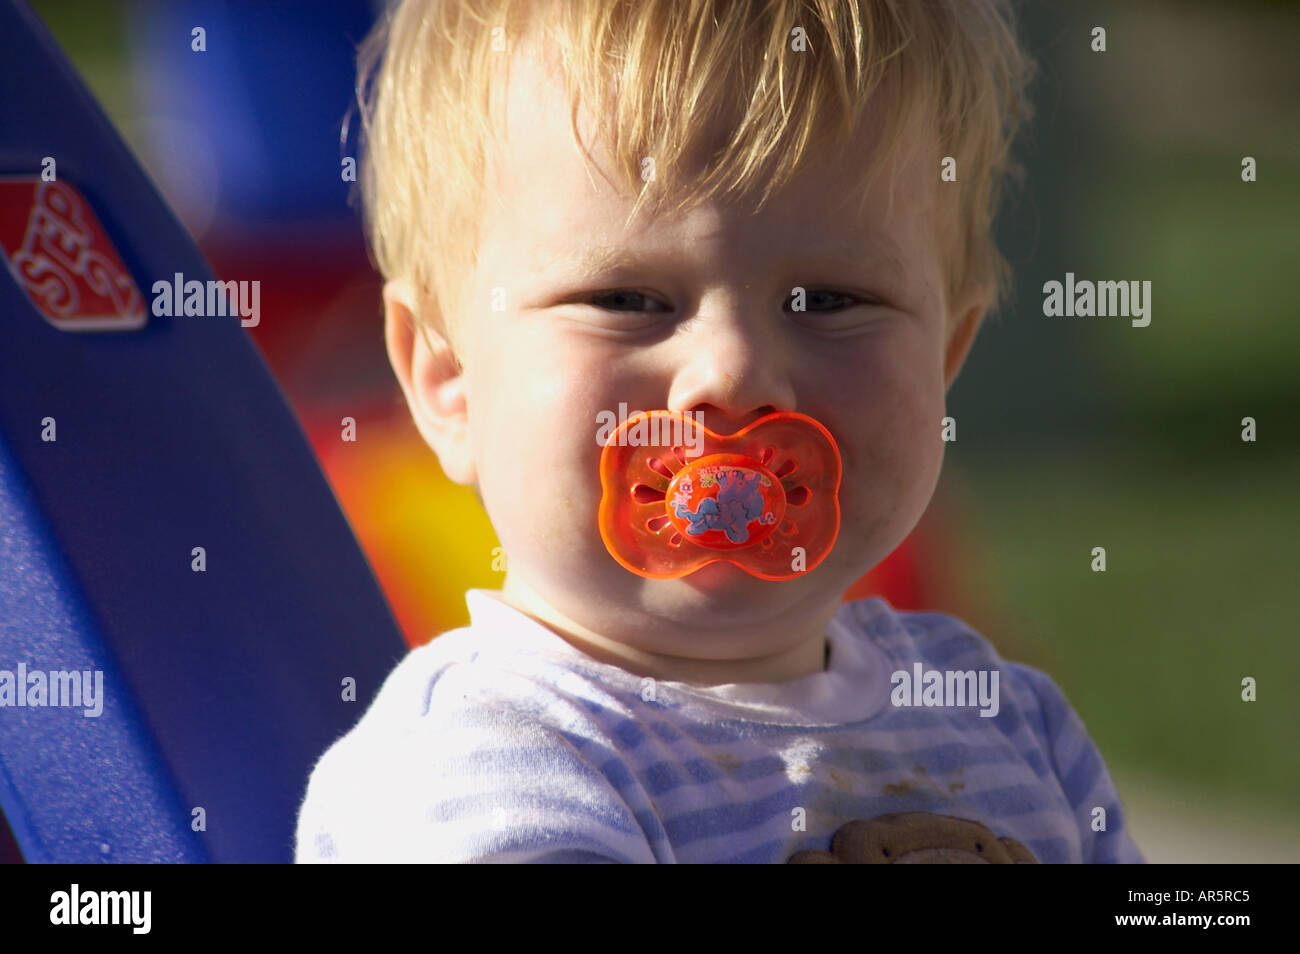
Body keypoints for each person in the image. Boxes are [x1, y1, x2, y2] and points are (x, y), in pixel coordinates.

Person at [295, 0, 1144, 863]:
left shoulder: (1005, 720)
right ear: (450, 381)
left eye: (828, 301)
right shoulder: (481, 771)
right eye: (627, 300)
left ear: (944, 358)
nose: (733, 371)